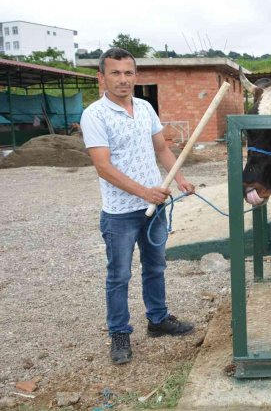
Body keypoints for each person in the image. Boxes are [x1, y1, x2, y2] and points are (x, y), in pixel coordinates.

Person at [80, 48, 196, 365]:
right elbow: (103, 167)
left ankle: (157, 320)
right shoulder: (94, 115)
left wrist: (181, 178)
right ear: (101, 77)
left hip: (154, 207)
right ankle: (119, 334)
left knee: (155, 267)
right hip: (120, 213)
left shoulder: (145, 107)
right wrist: (145, 192)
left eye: (128, 73)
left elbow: (161, 147)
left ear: (136, 76)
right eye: (115, 73)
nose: (123, 79)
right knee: (118, 276)